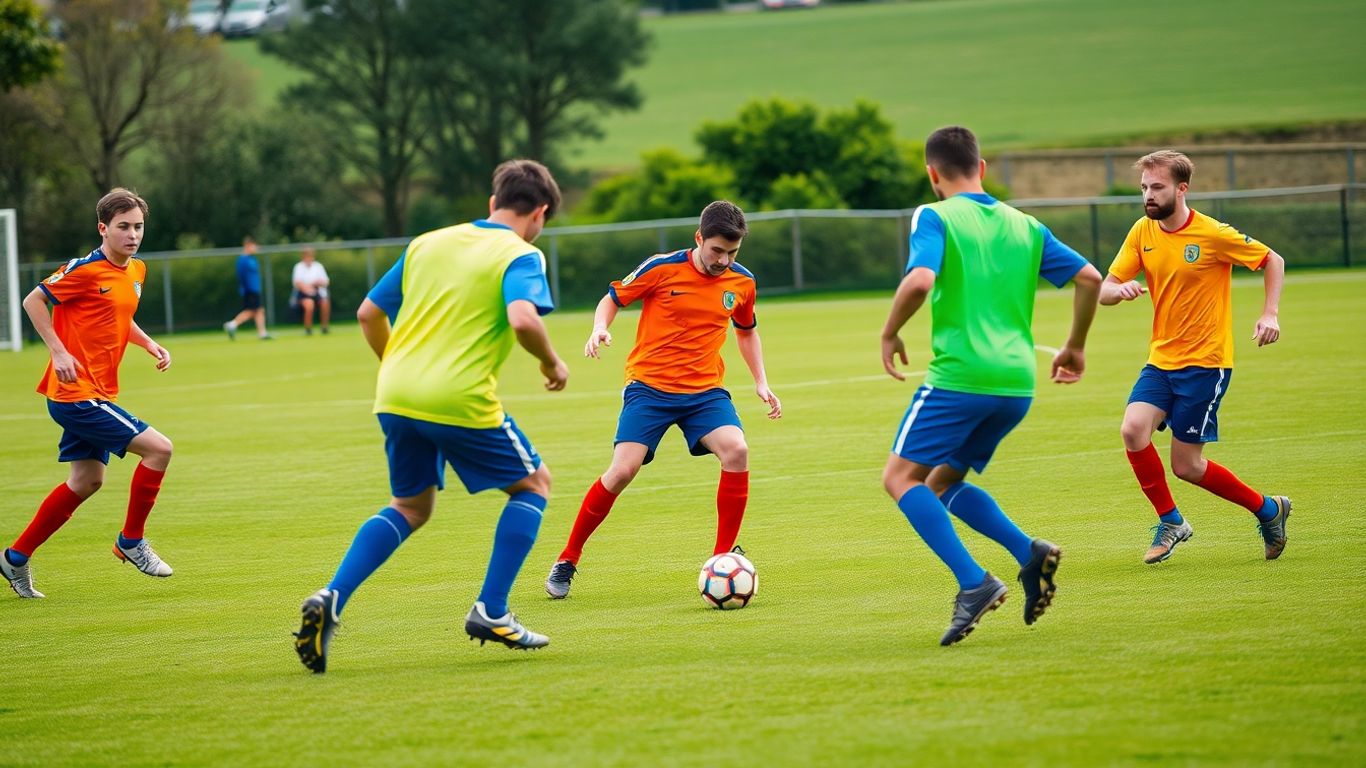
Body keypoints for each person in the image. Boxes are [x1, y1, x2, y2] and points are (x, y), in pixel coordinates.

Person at [293, 159, 570, 673]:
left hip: (394, 394)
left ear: (493, 203)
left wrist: (399, 366)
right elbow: (523, 317)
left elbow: (367, 313)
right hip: (459, 397)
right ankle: (492, 610)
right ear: (541, 213)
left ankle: (331, 598)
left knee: (411, 506)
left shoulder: (428, 242)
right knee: (534, 486)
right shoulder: (522, 253)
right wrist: (552, 362)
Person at [880, 126, 1102, 646]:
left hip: (961, 378)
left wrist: (890, 331)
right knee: (939, 483)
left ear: (933, 174)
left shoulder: (934, 214)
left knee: (900, 479)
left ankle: (974, 583)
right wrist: (1075, 345)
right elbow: (1091, 278)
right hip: (1016, 385)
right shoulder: (1025, 225)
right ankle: (1029, 553)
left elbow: (918, 280)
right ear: (982, 168)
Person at [544, 200, 782, 600]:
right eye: (716, 251)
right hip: (649, 388)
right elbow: (613, 298)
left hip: (705, 392)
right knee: (621, 472)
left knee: (737, 450)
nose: (723, 260)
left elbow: (746, 331)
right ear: (699, 238)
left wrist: (761, 381)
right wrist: (600, 328)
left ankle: (722, 557)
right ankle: (568, 557)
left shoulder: (742, 282)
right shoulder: (661, 266)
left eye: (732, 253)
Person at [1102, 150, 1289, 564]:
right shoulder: (1141, 231)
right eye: (1144, 188)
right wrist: (1118, 291)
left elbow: (1271, 260)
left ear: (1181, 188)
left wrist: (1269, 313)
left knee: (1187, 466)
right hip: (1161, 359)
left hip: (1206, 363)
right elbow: (1105, 289)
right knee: (1133, 430)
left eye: (1157, 187)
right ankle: (1171, 521)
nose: (1148, 196)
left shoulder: (1212, 233)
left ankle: (1269, 509)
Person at [1, 188, 176, 599]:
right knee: (160, 450)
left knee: (86, 481)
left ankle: (14, 558)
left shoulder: (136, 271)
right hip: (74, 394)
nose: (133, 235)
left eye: (138, 227)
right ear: (103, 228)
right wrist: (58, 351)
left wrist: (148, 343)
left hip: (98, 391)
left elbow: (118, 316)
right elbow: (33, 301)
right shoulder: (84, 269)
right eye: (123, 227)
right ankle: (131, 542)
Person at [223, 236, 271, 340]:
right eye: (254, 246)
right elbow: (241, 276)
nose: (256, 248)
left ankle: (262, 333)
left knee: (258, 311)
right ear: (248, 246)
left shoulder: (252, 259)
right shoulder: (243, 260)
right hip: (250, 290)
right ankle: (232, 325)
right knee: (253, 311)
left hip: (255, 289)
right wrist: (247, 289)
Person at [291, 246, 331, 335]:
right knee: (309, 305)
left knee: (325, 303)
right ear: (303, 257)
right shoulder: (298, 267)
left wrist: (318, 283)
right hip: (303, 294)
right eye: (307, 256)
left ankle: (324, 327)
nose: (309, 258)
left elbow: (326, 281)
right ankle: (308, 329)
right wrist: (308, 289)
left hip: (317, 292)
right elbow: (297, 283)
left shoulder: (318, 266)